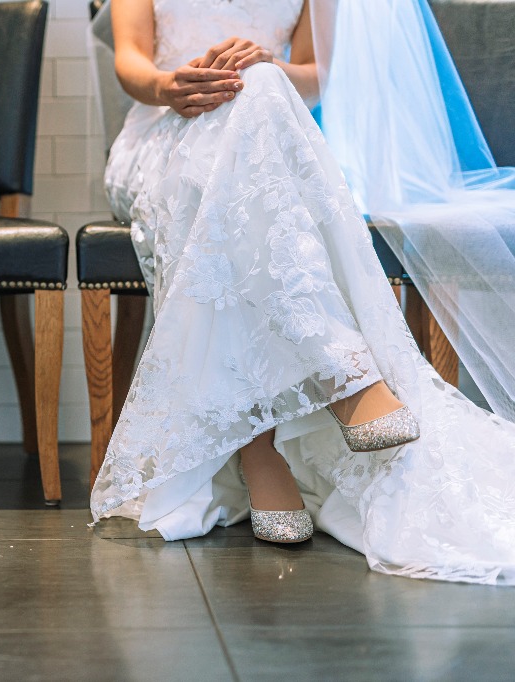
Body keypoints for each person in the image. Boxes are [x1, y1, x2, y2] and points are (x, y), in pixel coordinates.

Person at [91, 0, 515, 584]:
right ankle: (341, 376)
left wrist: (267, 67)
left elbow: (320, 75)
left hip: (260, 130)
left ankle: (258, 447)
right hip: (161, 136)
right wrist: (172, 86)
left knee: (262, 91)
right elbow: (131, 61)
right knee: (230, 169)